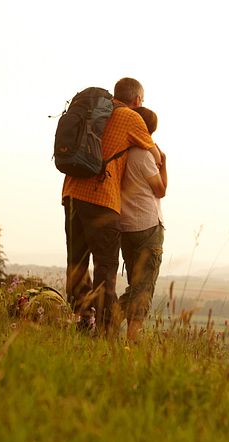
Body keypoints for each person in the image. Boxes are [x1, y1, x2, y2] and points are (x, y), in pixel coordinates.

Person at [62, 77, 162, 333]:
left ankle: (83, 319)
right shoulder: (131, 118)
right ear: (137, 100)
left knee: (77, 261)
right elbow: (154, 154)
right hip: (102, 197)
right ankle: (105, 330)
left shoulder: (94, 110)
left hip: (72, 192)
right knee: (105, 266)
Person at [118, 107, 167, 341]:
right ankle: (131, 338)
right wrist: (164, 164)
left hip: (124, 226)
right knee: (144, 287)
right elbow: (160, 190)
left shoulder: (121, 151)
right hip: (148, 224)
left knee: (135, 284)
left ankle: (104, 325)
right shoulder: (145, 155)